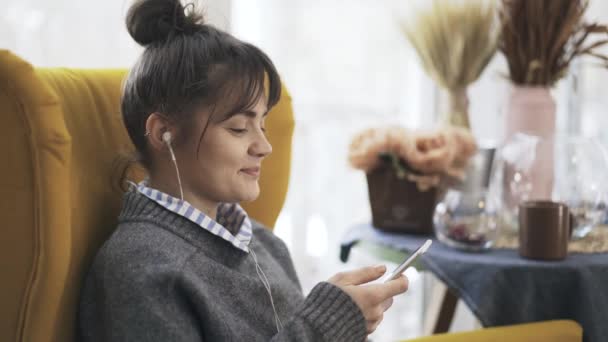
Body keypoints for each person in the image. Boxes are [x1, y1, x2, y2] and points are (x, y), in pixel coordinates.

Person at [78, 0, 409, 341]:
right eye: (238, 128)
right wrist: (325, 325)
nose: (264, 147)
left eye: (262, 125)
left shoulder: (263, 242)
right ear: (164, 133)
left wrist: (344, 318)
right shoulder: (142, 270)